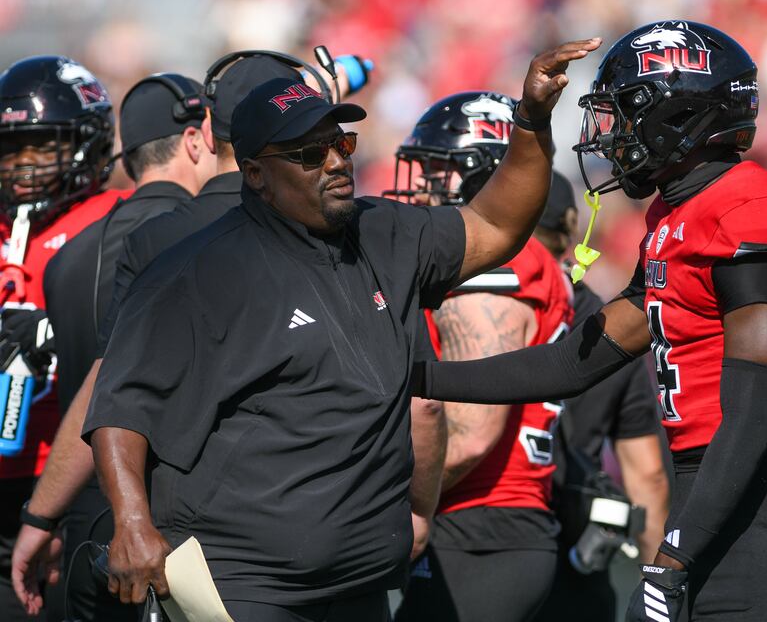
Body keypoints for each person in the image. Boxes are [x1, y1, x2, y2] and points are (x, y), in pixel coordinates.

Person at [82, 39, 602, 622]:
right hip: (245, 587)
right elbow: (119, 407)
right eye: (308, 153)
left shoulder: (385, 231)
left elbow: (496, 224)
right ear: (254, 173)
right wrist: (131, 521)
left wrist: (530, 119)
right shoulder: (196, 270)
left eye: (340, 143)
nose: (335, 162)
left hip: (360, 586)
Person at [417, 21, 767, 622]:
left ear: (677, 116)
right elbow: (572, 362)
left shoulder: (751, 204)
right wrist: (420, 377)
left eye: (626, 114)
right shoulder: (675, 217)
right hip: (715, 489)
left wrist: (676, 553)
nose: (613, 134)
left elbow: (754, 404)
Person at [12, 71, 214, 621]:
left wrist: (40, 515)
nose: (23, 163)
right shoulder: (207, 236)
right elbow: (111, 388)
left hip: (79, 522)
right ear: (197, 142)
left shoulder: (67, 254)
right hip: (178, 528)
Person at [390, 91, 573, 622]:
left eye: (437, 169)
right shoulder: (515, 258)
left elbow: (471, 432)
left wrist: (376, 507)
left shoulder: (491, 269)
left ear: (486, 174)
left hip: (480, 528)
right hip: (490, 527)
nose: (421, 182)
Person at [0, 55, 130, 621]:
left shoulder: (118, 224)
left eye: (42, 146)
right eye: (12, 149)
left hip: (70, 479)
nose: (23, 164)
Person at [532, 172, 669, 622]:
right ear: (571, 228)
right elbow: (646, 476)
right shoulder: (612, 325)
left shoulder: (473, 306)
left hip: (483, 549)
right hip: (580, 554)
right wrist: (662, 588)